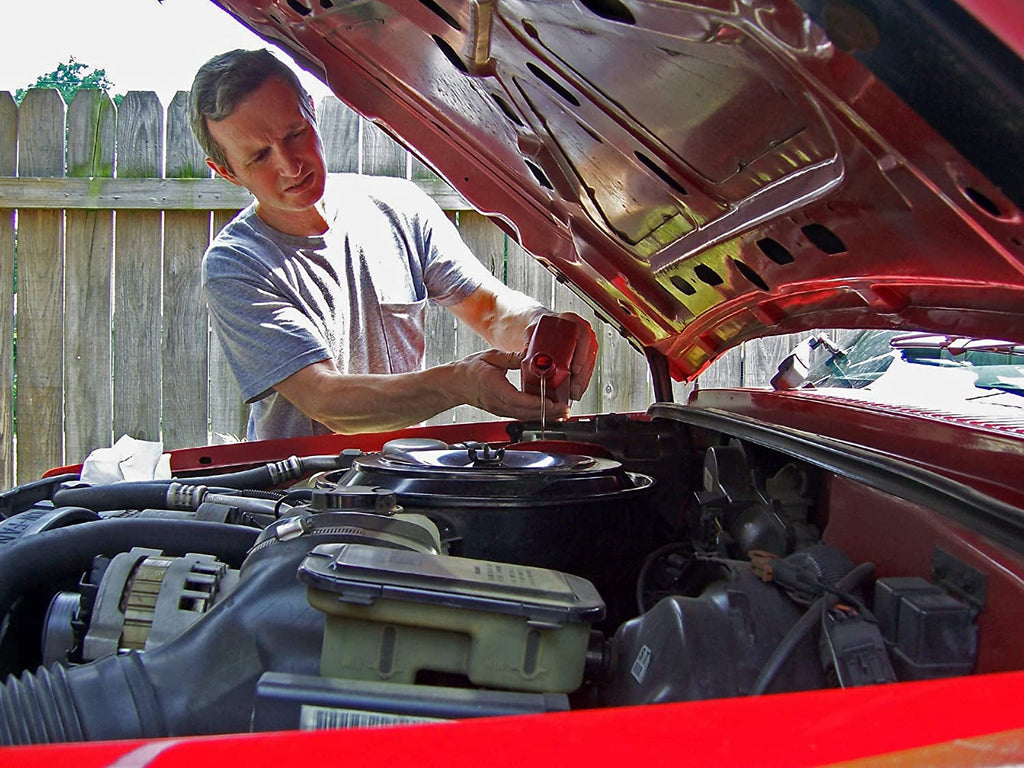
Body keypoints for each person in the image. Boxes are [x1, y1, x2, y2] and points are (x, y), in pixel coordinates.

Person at [188, 49, 598, 441]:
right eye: (259, 157)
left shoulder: (399, 207)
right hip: (302, 490)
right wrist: (459, 384)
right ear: (225, 172)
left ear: (311, 110)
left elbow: (490, 310)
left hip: (405, 471)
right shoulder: (237, 263)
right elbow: (324, 399)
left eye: (295, 134)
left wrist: (543, 329)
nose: (290, 165)